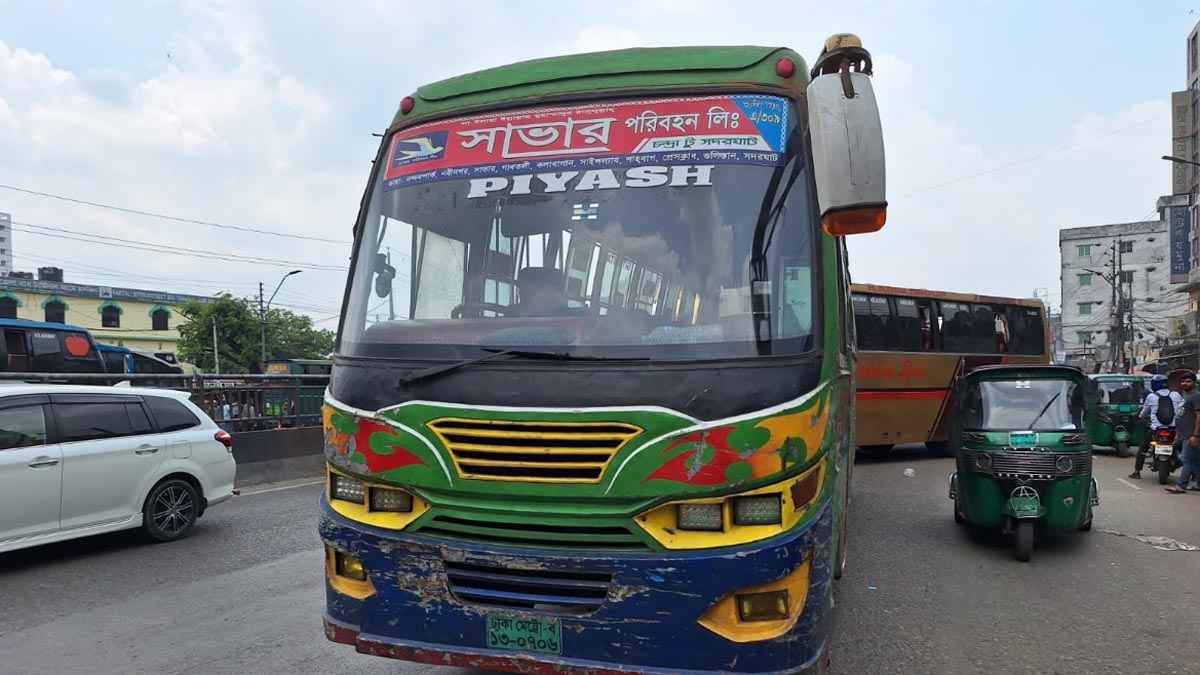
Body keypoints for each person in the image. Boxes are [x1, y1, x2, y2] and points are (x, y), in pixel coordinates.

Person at [1130, 375, 1183, 479]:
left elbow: (1143, 413)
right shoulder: (1176, 395)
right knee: (1182, 449)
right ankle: (1191, 473)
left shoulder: (1151, 396)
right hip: (1173, 429)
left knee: (1143, 448)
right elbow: (1182, 410)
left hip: (1156, 429)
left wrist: (1140, 417)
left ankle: (1137, 472)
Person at [1166, 371, 1200, 493]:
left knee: (1187, 460)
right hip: (1185, 434)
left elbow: (1199, 416)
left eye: (1188, 381)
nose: (1184, 383)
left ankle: (1181, 485)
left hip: (1192, 435)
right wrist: (1177, 434)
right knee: (1195, 460)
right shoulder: (1185, 396)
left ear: (1194, 383)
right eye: (1183, 381)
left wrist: (1196, 435)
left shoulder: (1196, 396)